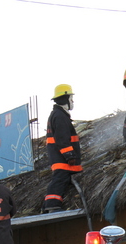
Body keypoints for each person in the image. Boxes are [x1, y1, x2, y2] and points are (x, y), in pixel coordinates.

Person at [44, 84, 82, 213]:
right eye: (71, 98)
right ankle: (52, 205)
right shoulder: (59, 116)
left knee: (61, 179)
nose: (72, 102)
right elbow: (62, 139)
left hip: (59, 157)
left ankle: (48, 205)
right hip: (62, 158)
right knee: (59, 180)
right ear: (65, 99)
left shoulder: (57, 115)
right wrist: (70, 155)